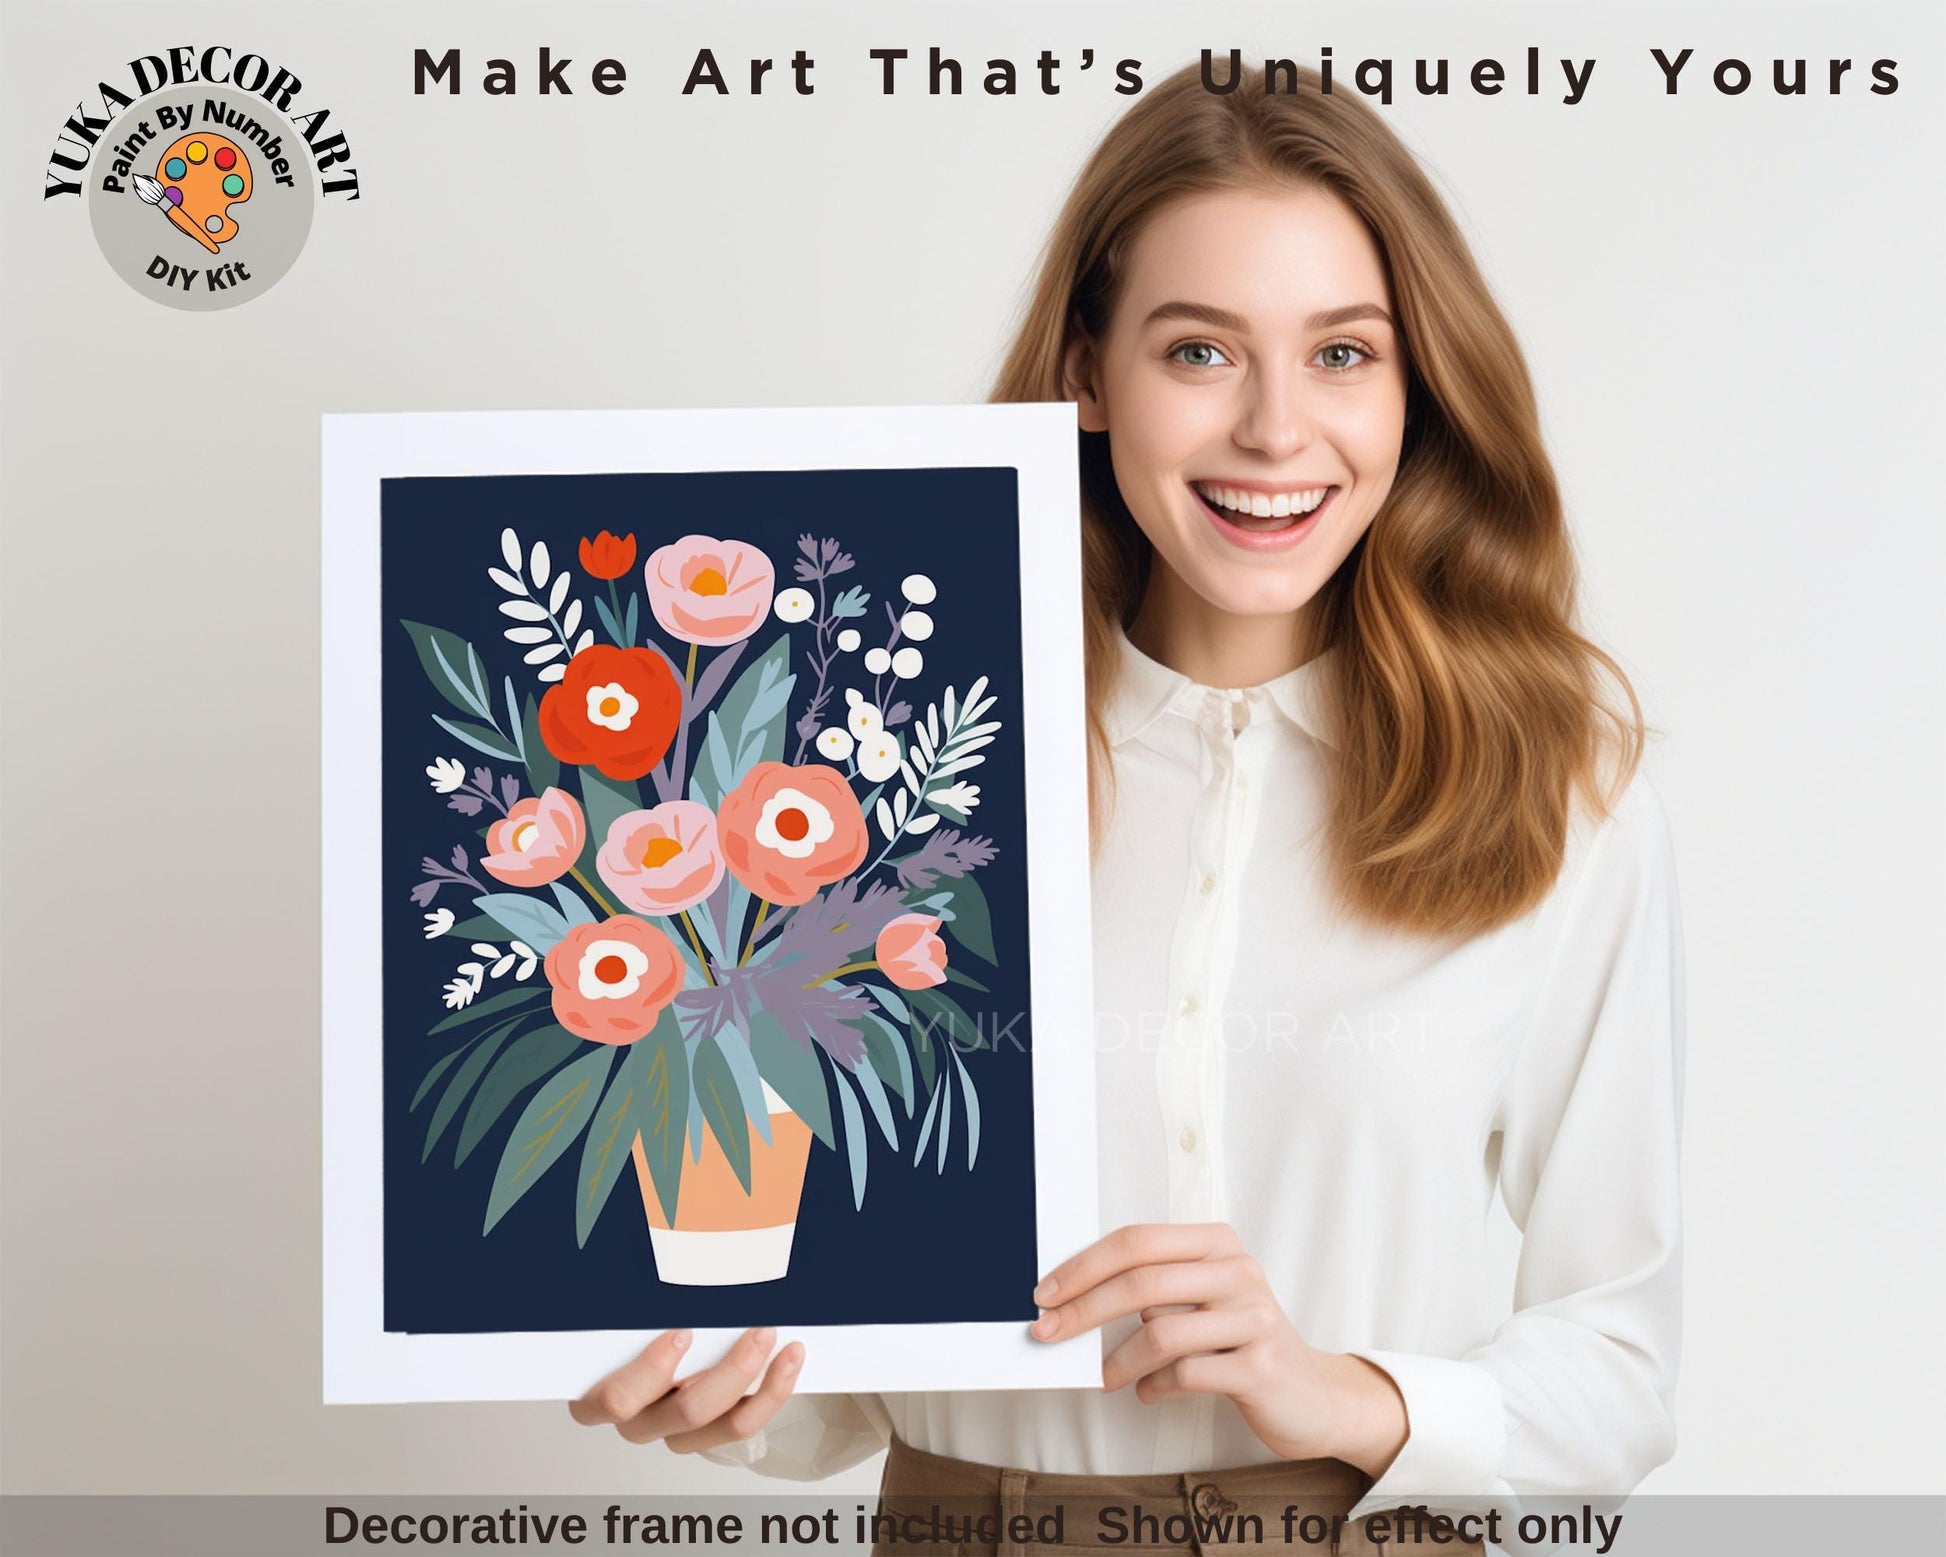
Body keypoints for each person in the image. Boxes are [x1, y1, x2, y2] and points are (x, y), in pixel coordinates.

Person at [568, 59, 1685, 1553]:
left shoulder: (1555, 790)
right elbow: (852, 1350)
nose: (1277, 431)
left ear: (1417, 385)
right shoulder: (879, 773)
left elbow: (1621, 1366)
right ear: (1091, 372)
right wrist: (724, 1391)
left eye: (1343, 353)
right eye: (1200, 352)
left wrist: (1345, 1392)